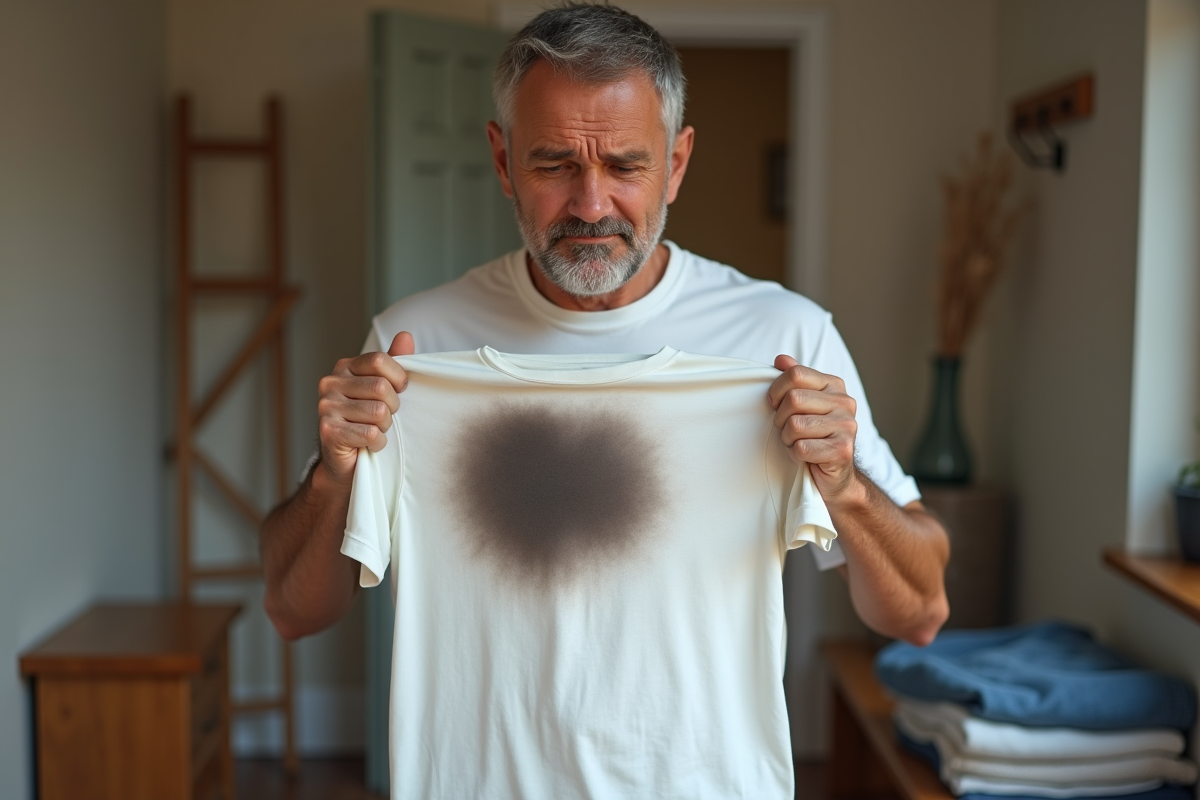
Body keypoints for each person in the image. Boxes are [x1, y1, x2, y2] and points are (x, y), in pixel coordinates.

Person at [262, 1, 948, 792]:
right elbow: (291, 611)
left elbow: (920, 613)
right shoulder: (416, 345)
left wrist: (845, 489)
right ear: (501, 159)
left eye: (625, 165)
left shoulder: (781, 341)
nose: (591, 205)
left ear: (678, 162)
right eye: (555, 164)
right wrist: (333, 475)